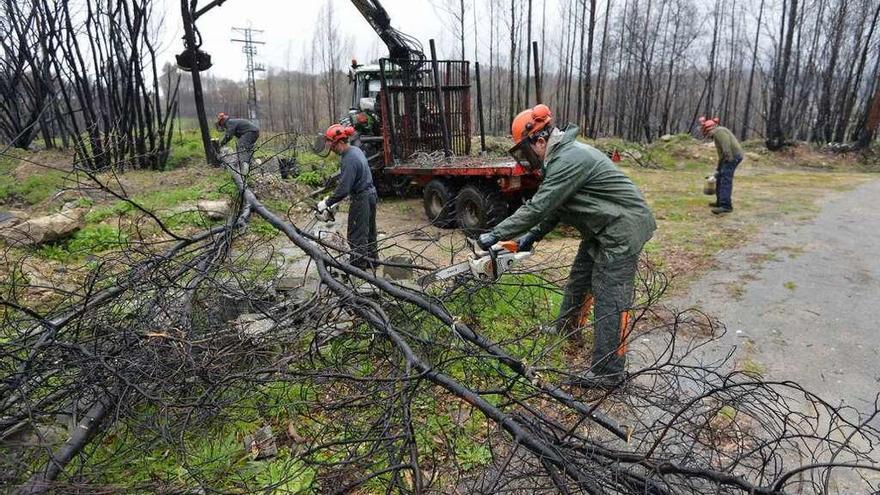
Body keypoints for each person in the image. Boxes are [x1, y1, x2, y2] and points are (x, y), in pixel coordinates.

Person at [477, 104, 656, 389]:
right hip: (601, 228)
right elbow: (557, 208)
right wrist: (531, 236)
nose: (527, 158)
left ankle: (608, 372)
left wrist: (496, 233)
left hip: (621, 229)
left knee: (610, 297)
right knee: (580, 278)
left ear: (539, 140)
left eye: (526, 150)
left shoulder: (569, 159)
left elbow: (540, 206)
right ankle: (567, 327)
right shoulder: (562, 157)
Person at [317, 124, 378, 270]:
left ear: (337, 141)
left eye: (330, 143)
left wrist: (327, 202)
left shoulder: (348, 159)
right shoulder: (355, 150)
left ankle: (358, 269)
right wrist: (335, 201)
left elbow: (344, 188)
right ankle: (372, 262)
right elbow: (350, 182)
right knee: (369, 232)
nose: (329, 147)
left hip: (361, 198)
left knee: (356, 234)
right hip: (370, 194)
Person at [700, 116, 743, 215]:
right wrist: (718, 170)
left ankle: (726, 206)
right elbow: (721, 154)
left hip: (733, 157)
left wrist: (728, 159)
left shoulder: (718, 131)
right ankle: (720, 202)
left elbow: (726, 146)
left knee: (725, 180)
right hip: (729, 157)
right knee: (720, 177)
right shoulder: (717, 133)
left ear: (708, 129)